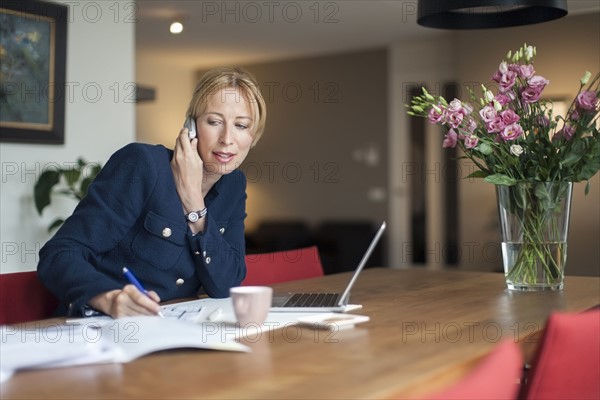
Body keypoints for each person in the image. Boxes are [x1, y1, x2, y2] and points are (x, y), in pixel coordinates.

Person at [37, 67, 267, 318]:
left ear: (253, 135)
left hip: (174, 330)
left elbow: (227, 284)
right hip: (104, 328)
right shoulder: (142, 164)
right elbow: (60, 253)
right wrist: (108, 297)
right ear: (190, 126)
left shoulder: (233, 184)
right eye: (214, 122)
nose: (227, 138)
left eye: (241, 126)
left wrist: (194, 204)